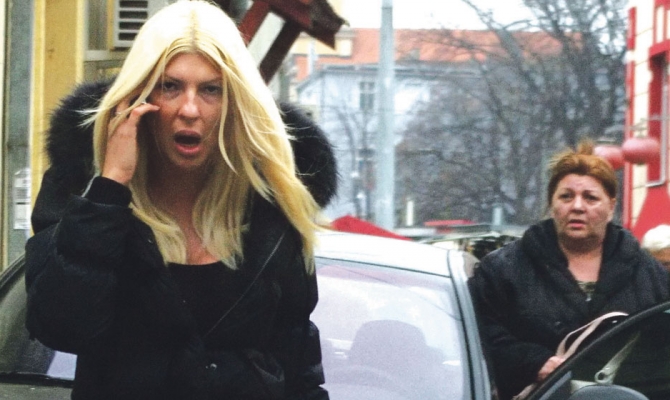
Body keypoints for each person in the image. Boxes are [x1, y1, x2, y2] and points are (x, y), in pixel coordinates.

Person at [24, 1, 337, 399]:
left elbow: (300, 375)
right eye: (170, 86)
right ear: (139, 95)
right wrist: (111, 187)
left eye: (211, 89)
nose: (190, 109)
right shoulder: (82, 193)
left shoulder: (272, 206)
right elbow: (60, 328)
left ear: (234, 103)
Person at [468, 141, 670, 400]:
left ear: (611, 206)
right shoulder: (502, 270)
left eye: (590, 198)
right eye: (566, 196)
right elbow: (479, 333)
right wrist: (533, 362)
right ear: (552, 204)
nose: (577, 206)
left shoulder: (650, 274)